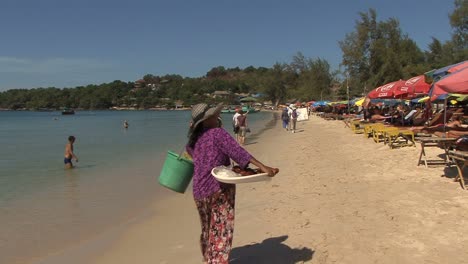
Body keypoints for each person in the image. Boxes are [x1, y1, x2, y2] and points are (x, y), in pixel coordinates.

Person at [186, 103, 278, 263]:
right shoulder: (217, 133)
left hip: (199, 190)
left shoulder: (193, 141)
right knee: (221, 229)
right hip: (218, 188)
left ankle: (208, 257)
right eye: (215, 115)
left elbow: (199, 158)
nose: (218, 117)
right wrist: (264, 167)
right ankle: (217, 260)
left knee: (207, 229)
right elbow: (238, 152)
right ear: (207, 120)